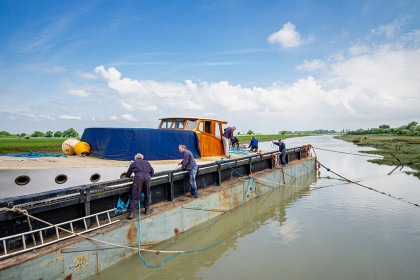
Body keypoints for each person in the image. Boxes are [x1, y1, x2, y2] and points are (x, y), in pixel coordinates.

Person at [126, 153, 154, 219]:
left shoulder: (133, 163)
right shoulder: (147, 162)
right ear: (142, 157)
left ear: (135, 158)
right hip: (147, 178)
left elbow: (128, 174)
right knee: (147, 194)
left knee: (135, 196)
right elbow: (152, 171)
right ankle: (147, 210)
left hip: (138, 179)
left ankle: (132, 213)